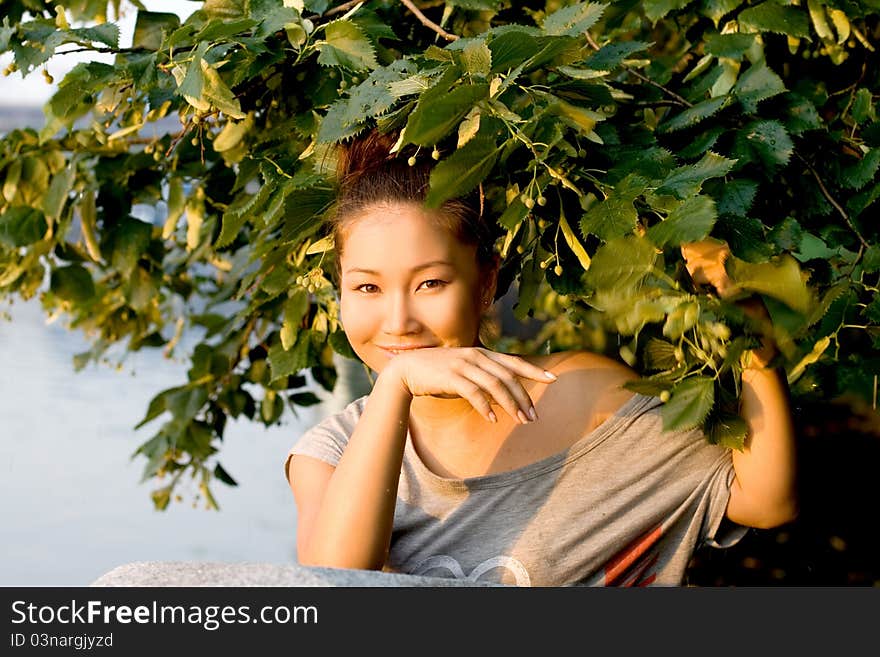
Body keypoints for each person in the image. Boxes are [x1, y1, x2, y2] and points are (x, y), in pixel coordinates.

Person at [284, 130, 797, 586]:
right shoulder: (331, 450)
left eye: (431, 283)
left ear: (486, 281)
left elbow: (766, 500)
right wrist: (395, 385)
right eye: (367, 287)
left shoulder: (576, 396)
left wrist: (747, 322)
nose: (398, 321)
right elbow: (335, 582)